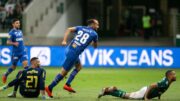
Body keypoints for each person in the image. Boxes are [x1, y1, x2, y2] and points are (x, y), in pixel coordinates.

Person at [45, 19, 99, 97]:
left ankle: (67, 84)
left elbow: (68, 29)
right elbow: (95, 47)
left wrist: (64, 41)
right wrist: (93, 42)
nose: (98, 26)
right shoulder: (94, 34)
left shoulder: (81, 27)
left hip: (69, 49)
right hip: (74, 54)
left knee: (79, 66)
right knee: (63, 73)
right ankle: (50, 87)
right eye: (97, 24)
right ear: (92, 24)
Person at [98, 70, 176, 100]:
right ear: (169, 75)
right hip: (145, 92)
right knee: (127, 96)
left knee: (127, 95)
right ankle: (109, 89)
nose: (175, 76)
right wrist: (145, 97)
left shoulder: (167, 81)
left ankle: (108, 91)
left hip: (145, 92)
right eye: (173, 74)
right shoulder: (165, 82)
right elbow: (151, 86)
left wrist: (158, 96)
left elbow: (159, 89)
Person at [2, 18, 28, 84]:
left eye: (19, 23)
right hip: (16, 53)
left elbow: (21, 40)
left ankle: (26, 81)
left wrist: (24, 47)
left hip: (22, 51)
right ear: (13, 24)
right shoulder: (11, 33)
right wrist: (14, 43)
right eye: (17, 23)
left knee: (26, 66)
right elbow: (7, 42)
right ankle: (5, 74)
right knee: (13, 67)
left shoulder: (20, 31)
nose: (18, 24)